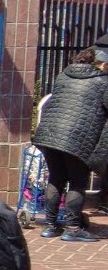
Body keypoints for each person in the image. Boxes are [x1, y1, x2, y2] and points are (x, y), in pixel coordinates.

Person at [33, 46, 108, 242]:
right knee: (77, 180)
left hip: (50, 134)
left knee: (56, 178)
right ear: (102, 64)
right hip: (78, 138)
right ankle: (73, 227)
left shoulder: (63, 76)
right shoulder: (102, 81)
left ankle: (50, 225)